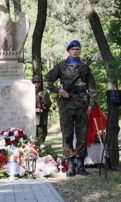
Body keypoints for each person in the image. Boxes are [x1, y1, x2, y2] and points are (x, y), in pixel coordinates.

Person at [45, 40, 97, 176]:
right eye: (73, 49)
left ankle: (80, 164)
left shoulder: (85, 67)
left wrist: (91, 104)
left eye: (78, 49)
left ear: (80, 51)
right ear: (68, 51)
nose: (75, 51)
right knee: (67, 134)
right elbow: (47, 80)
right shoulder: (61, 66)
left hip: (82, 104)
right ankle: (70, 164)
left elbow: (92, 87)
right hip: (66, 104)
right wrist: (58, 90)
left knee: (82, 135)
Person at [32, 75, 52, 142]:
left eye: (38, 82)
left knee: (42, 138)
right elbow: (25, 106)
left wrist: (43, 97)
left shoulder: (45, 93)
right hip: (33, 120)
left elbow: (48, 105)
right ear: (32, 83)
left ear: (40, 83)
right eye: (35, 82)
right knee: (33, 139)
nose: (36, 83)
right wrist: (33, 110)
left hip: (43, 119)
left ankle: (42, 151)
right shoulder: (29, 93)